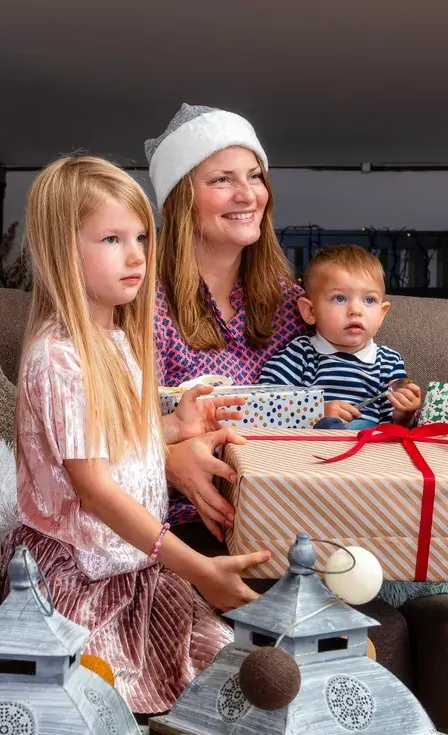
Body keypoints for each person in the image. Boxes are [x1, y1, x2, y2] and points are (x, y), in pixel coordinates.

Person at [2, 155, 271, 713]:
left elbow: (118, 442)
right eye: (111, 239)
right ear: (62, 251)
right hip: (83, 576)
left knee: (228, 679)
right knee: (107, 704)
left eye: (141, 237)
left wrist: (173, 425)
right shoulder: (59, 359)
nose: (135, 255)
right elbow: (96, 491)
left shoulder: (119, 342)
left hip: (137, 568)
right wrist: (195, 566)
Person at [145, 103, 308, 537]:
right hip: (175, 521)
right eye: (222, 180)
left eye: (255, 176)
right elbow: (96, 429)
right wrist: (166, 459)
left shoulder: (292, 304)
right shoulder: (140, 303)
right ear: (182, 199)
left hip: (287, 513)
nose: (248, 195)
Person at [258, 245, 422, 430]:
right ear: (310, 311)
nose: (356, 310)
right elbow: (266, 405)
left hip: (369, 449)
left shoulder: (388, 362)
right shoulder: (300, 354)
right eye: (340, 299)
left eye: (369, 300)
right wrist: (315, 413)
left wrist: (404, 415)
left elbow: (393, 428)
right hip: (314, 447)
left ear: (381, 314)